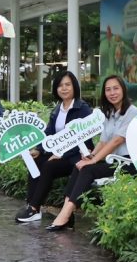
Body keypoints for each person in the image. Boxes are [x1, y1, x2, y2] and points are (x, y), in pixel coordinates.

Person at [45, 75, 137, 232]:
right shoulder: (109, 112)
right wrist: (91, 155)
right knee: (79, 166)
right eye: (108, 90)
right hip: (112, 161)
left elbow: (117, 141)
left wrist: (94, 160)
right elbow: (103, 142)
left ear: (123, 89)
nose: (112, 93)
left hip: (127, 163)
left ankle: (65, 215)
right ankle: (66, 214)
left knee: (88, 169)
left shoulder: (132, 111)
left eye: (116, 88)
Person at [14, 71, 93, 223]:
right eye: (60, 85)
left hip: (76, 156)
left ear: (74, 87)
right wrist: (39, 149)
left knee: (49, 166)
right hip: (59, 154)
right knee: (35, 161)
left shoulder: (83, 109)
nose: (64, 88)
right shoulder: (58, 109)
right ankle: (32, 206)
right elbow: (48, 133)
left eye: (68, 85)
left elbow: (85, 139)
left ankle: (34, 207)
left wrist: (62, 153)